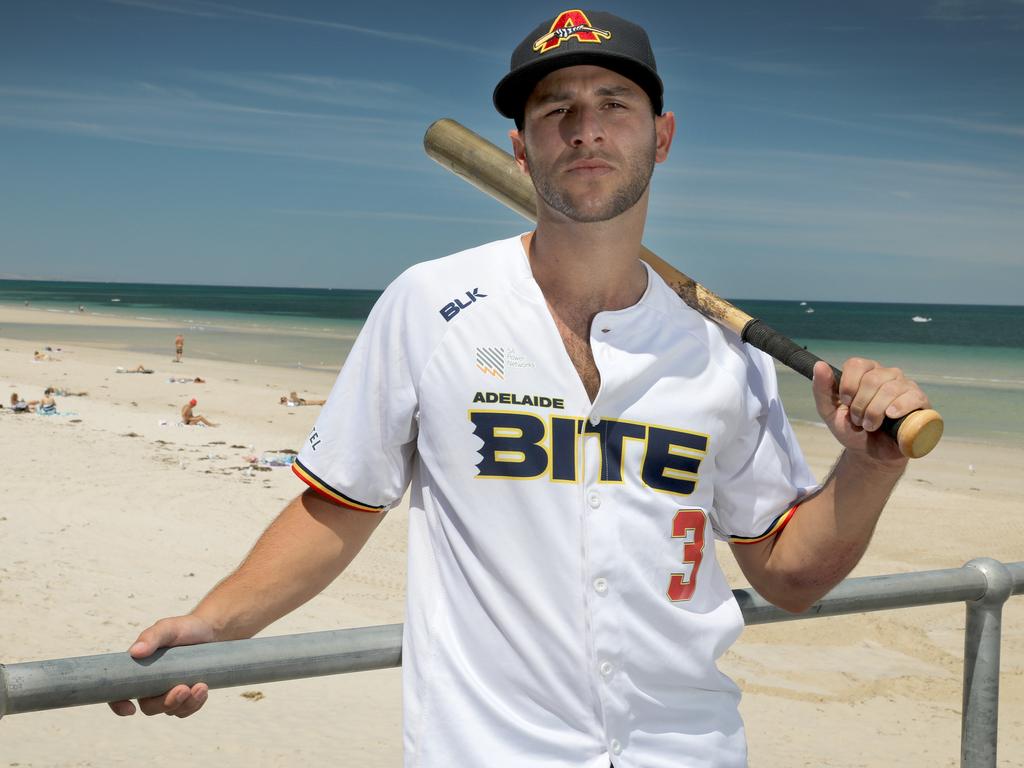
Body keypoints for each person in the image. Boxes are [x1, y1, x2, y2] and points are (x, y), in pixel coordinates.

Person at [110, 10, 930, 767]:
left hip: (692, 750)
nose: (585, 128)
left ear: (663, 136)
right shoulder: (431, 305)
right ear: (519, 146)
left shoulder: (726, 354)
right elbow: (339, 505)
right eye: (555, 109)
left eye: (614, 103)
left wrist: (869, 467)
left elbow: (788, 576)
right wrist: (217, 624)